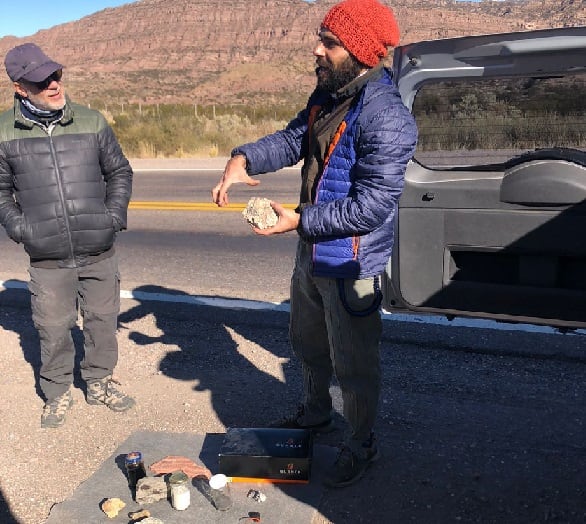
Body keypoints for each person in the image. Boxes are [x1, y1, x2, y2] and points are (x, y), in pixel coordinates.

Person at [212, 0, 417, 487]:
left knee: (354, 362)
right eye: (320, 37)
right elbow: (291, 140)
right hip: (311, 248)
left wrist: (298, 219)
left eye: (329, 41)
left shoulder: (386, 118)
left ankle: (361, 441)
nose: (316, 49)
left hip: (350, 261)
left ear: (361, 51)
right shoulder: (328, 97)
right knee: (306, 341)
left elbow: (371, 207)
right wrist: (243, 159)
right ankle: (316, 413)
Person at [0, 43, 135, 428]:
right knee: (53, 327)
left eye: (56, 74)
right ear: (20, 87)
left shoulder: (91, 121)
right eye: (41, 81)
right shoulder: (3, 132)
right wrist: (21, 229)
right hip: (47, 257)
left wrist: (112, 217)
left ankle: (99, 382)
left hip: (99, 248)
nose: (54, 85)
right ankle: (57, 392)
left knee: (102, 321)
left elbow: (120, 172)